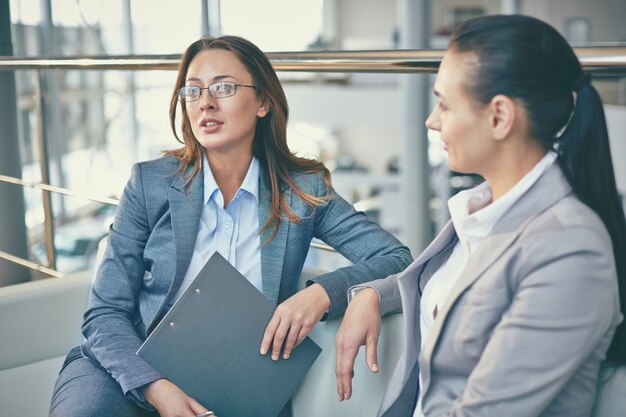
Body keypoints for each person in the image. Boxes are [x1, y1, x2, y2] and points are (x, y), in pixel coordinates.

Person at [49, 35, 412, 417]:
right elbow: (104, 312)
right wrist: (157, 388)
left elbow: (396, 256)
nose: (205, 101)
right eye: (193, 90)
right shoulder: (149, 183)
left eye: (223, 86)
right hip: (127, 373)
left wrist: (324, 293)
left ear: (263, 102)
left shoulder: (301, 191)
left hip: (233, 386)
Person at [335, 14, 626, 417]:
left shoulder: (570, 248)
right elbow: (449, 290)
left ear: (499, 117)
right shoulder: (483, 209)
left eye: (444, 105)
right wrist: (371, 293)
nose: (431, 121)